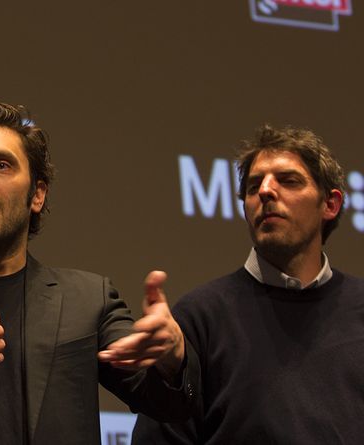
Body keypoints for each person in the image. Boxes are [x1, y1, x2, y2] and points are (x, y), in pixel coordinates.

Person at [0, 101, 200, 444]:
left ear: (37, 193)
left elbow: (171, 403)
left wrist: (173, 357)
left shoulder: (87, 301)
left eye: (0, 165)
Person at [132, 125, 363, 444]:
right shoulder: (199, 317)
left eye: (288, 180)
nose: (266, 191)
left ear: (331, 205)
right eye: (254, 186)